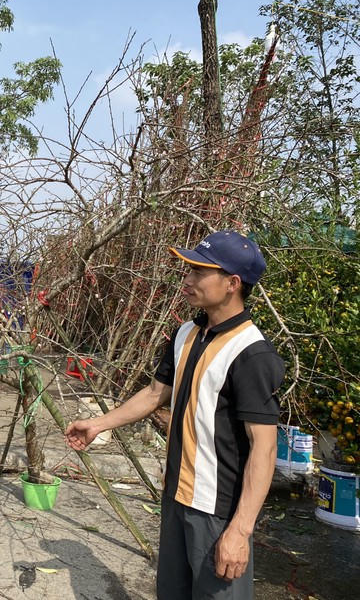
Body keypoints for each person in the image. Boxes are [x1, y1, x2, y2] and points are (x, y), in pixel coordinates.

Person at [66, 230, 284, 600]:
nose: (188, 279)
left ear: (232, 283)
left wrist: (240, 531)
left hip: (217, 510)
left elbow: (264, 448)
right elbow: (155, 394)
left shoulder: (252, 354)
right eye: (189, 269)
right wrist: (98, 424)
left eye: (200, 271)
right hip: (175, 496)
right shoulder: (187, 333)